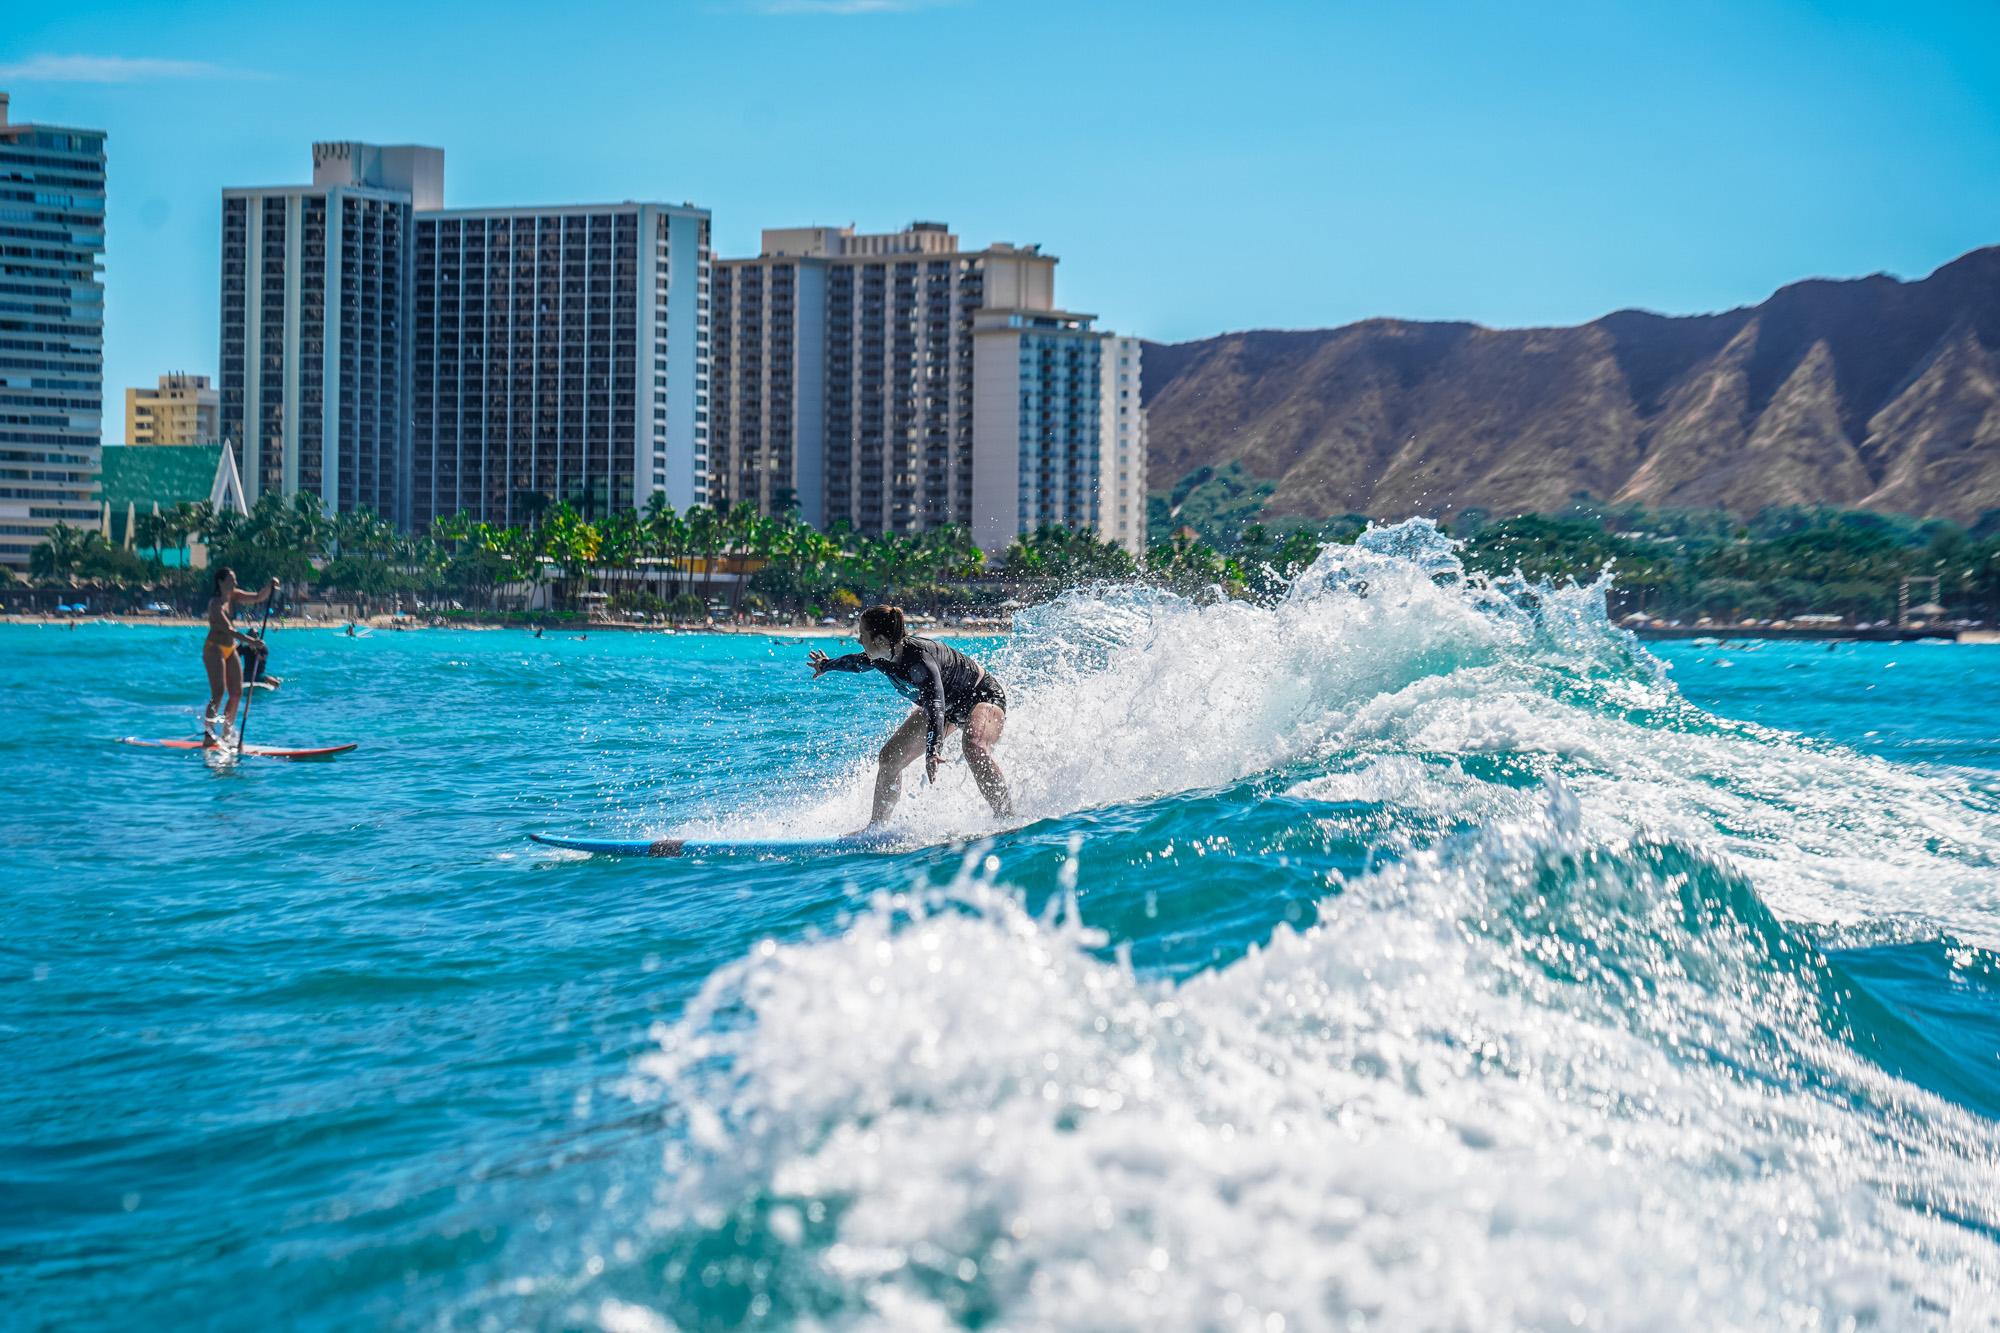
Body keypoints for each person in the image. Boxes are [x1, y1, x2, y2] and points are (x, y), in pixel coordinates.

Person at [809, 605, 1013, 827]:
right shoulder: (880, 656)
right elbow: (854, 663)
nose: (858, 640)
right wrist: (826, 665)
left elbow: (936, 703)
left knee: (974, 747)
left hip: (980, 696)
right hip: (946, 707)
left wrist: (933, 750)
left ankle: (1007, 820)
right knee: (889, 758)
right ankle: (876, 829)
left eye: (862, 635)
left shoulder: (920, 659)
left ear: (879, 640)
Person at [203, 567, 279, 744]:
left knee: (236, 693)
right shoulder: (214, 605)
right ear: (221, 582)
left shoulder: (234, 596)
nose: (234, 583)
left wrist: (270, 586)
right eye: (231, 580)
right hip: (213, 648)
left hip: (230, 649)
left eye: (235, 580)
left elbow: (258, 597)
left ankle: (227, 735)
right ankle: (208, 735)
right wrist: (251, 641)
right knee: (219, 691)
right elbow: (228, 629)